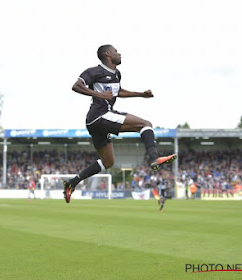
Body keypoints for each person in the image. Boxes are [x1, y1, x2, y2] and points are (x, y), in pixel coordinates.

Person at [63, 44, 177, 203]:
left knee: (108, 162)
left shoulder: (116, 74)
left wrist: (140, 94)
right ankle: (154, 158)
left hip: (97, 121)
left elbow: (119, 92)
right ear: (108, 54)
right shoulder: (94, 72)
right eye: (116, 51)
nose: (119, 53)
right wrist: (99, 94)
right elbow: (76, 86)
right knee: (145, 124)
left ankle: (72, 183)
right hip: (100, 116)